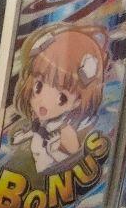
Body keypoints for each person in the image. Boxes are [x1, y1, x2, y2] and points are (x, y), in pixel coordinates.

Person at [9, 24, 109, 173]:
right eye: (38, 87)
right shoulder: (42, 121)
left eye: (62, 98)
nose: (43, 102)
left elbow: (74, 160)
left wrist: (51, 153)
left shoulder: (66, 129)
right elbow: (37, 130)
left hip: (50, 172)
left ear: (77, 102)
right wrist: (24, 136)